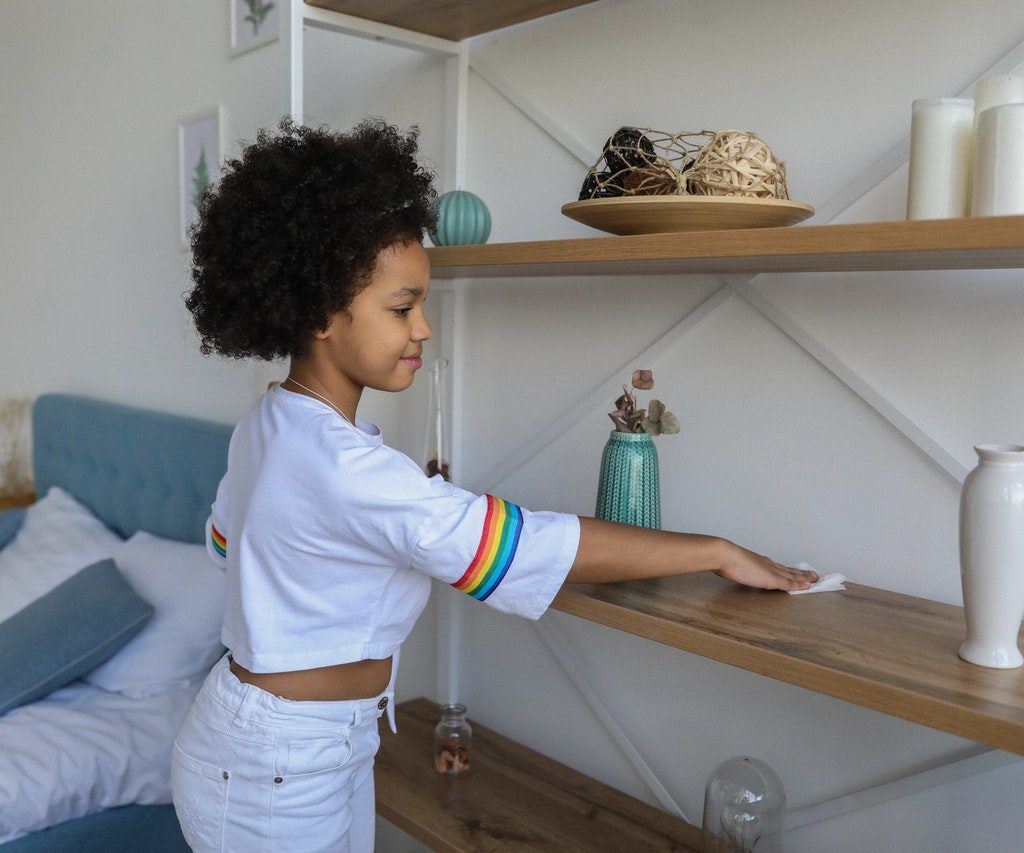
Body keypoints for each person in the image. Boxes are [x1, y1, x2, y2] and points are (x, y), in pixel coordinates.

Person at [172, 116, 818, 853]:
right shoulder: (345, 468)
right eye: (402, 306)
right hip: (275, 771)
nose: (424, 329)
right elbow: (521, 548)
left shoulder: (269, 422)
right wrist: (713, 548)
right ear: (321, 309)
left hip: (290, 748)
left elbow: (226, 542)